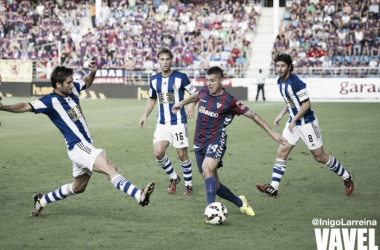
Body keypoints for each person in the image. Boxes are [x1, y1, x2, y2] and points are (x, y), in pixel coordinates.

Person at [0, 64, 155, 216]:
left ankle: (42, 200)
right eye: (68, 82)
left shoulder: (73, 89)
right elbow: (25, 106)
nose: (72, 84)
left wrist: (93, 73)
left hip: (83, 146)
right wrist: (3, 107)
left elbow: (86, 81)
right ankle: (139, 195)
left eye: (72, 81)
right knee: (110, 168)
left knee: (78, 187)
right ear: (58, 84)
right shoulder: (50, 101)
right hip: (78, 146)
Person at [172, 66, 287, 216]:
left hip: (216, 140)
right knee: (214, 184)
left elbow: (253, 115)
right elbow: (196, 95)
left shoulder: (229, 100)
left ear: (221, 80)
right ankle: (241, 202)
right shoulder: (204, 91)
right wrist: (182, 103)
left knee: (207, 168)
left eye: (213, 81)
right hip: (199, 142)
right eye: (207, 80)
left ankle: (210, 210)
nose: (209, 84)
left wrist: (272, 133)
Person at [256, 53, 354, 197]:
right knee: (281, 152)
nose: (280, 69)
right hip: (293, 124)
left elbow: (306, 104)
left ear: (289, 67)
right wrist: (282, 114)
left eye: (283, 66)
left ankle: (347, 176)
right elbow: (289, 101)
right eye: (277, 66)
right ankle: (273, 187)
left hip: (307, 123)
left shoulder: (296, 82)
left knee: (319, 157)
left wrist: (294, 119)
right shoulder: (280, 82)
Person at [139, 48, 197, 195]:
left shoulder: (181, 77)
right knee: (158, 152)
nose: (165, 62)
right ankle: (174, 177)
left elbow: (195, 93)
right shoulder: (154, 80)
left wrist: (190, 105)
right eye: (162, 59)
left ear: (171, 60)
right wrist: (145, 115)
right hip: (162, 123)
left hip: (178, 121)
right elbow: (152, 99)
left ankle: (188, 185)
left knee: (182, 154)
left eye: (167, 59)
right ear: (158, 61)